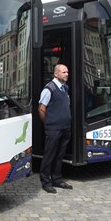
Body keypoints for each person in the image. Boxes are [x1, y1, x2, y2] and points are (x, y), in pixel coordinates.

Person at [38, 64, 73, 194]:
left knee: (59, 155)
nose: (67, 74)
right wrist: (48, 124)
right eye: (64, 72)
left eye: (67, 72)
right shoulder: (49, 89)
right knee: (50, 155)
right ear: (56, 74)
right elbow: (41, 109)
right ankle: (46, 182)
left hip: (65, 127)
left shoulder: (65, 88)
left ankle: (57, 179)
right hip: (54, 128)